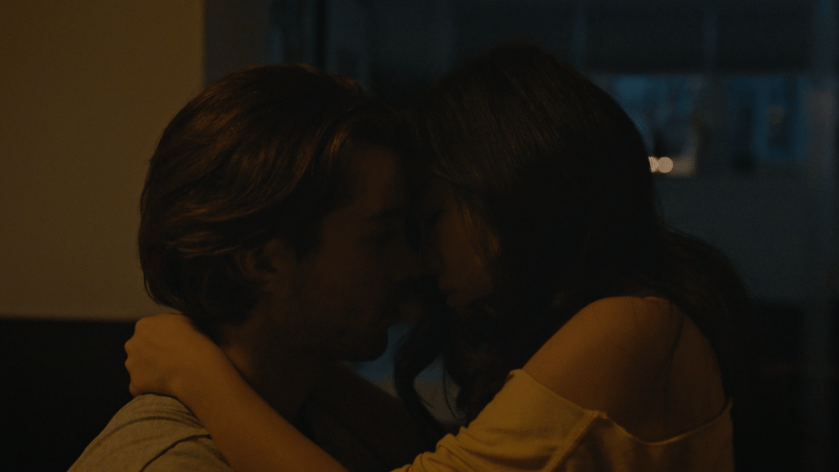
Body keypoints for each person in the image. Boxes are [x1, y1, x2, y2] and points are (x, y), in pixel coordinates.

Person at [123, 44, 750, 471]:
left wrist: (198, 375)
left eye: (428, 221)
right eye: (388, 232)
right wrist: (303, 366)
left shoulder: (627, 325)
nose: (418, 261)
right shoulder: (633, 318)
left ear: (502, 195)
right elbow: (442, 454)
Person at [69, 64, 428, 472]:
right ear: (262, 262)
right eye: (380, 237)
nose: (411, 266)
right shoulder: (175, 464)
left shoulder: (332, 433)